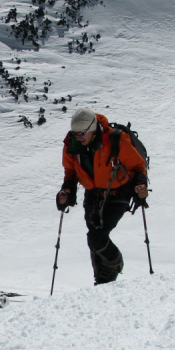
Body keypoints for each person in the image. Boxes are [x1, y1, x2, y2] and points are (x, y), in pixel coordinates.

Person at [56, 108, 148, 285]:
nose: (78, 137)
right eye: (75, 133)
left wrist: (141, 184)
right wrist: (67, 190)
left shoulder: (115, 139)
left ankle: (114, 263)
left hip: (119, 191)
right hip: (93, 193)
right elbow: (70, 171)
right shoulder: (71, 144)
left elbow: (138, 166)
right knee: (94, 237)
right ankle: (102, 280)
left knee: (97, 237)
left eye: (82, 133)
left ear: (93, 128)